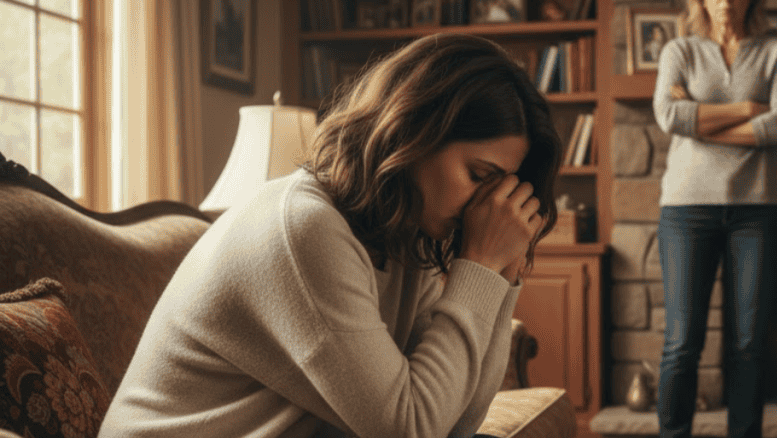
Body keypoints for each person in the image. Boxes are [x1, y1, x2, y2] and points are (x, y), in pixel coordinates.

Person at [99, 33, 563, 438]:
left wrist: (502, 275)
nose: (490, 208)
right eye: (479, 175)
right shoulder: (303, 229)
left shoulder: (402, 238)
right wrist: (479, 266)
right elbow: (411, 430)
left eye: (503, 187)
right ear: (412, 134)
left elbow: (454, 423)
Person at [652, 0, 777, 438]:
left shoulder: (776, 50)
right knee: (681, 342)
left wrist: (700, 119)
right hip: (686, 210)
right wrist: (744, 110)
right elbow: (668, 116)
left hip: (758, 211)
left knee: (748, 344)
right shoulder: (680, 50)